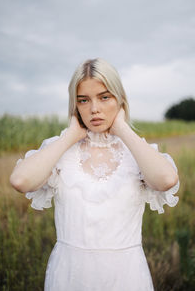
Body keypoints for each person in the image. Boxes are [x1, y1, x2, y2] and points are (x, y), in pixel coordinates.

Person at [10, 58, 180, 291]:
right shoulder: (59, 148)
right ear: (75, 105)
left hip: (126, 276)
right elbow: (21, 181)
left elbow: (166, 180)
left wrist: (122, 129)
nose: (94, 109)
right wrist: (70, 136)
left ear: (120, 99)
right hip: (70, 275)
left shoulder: (137, 152)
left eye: (104, 97)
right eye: (83, 100)